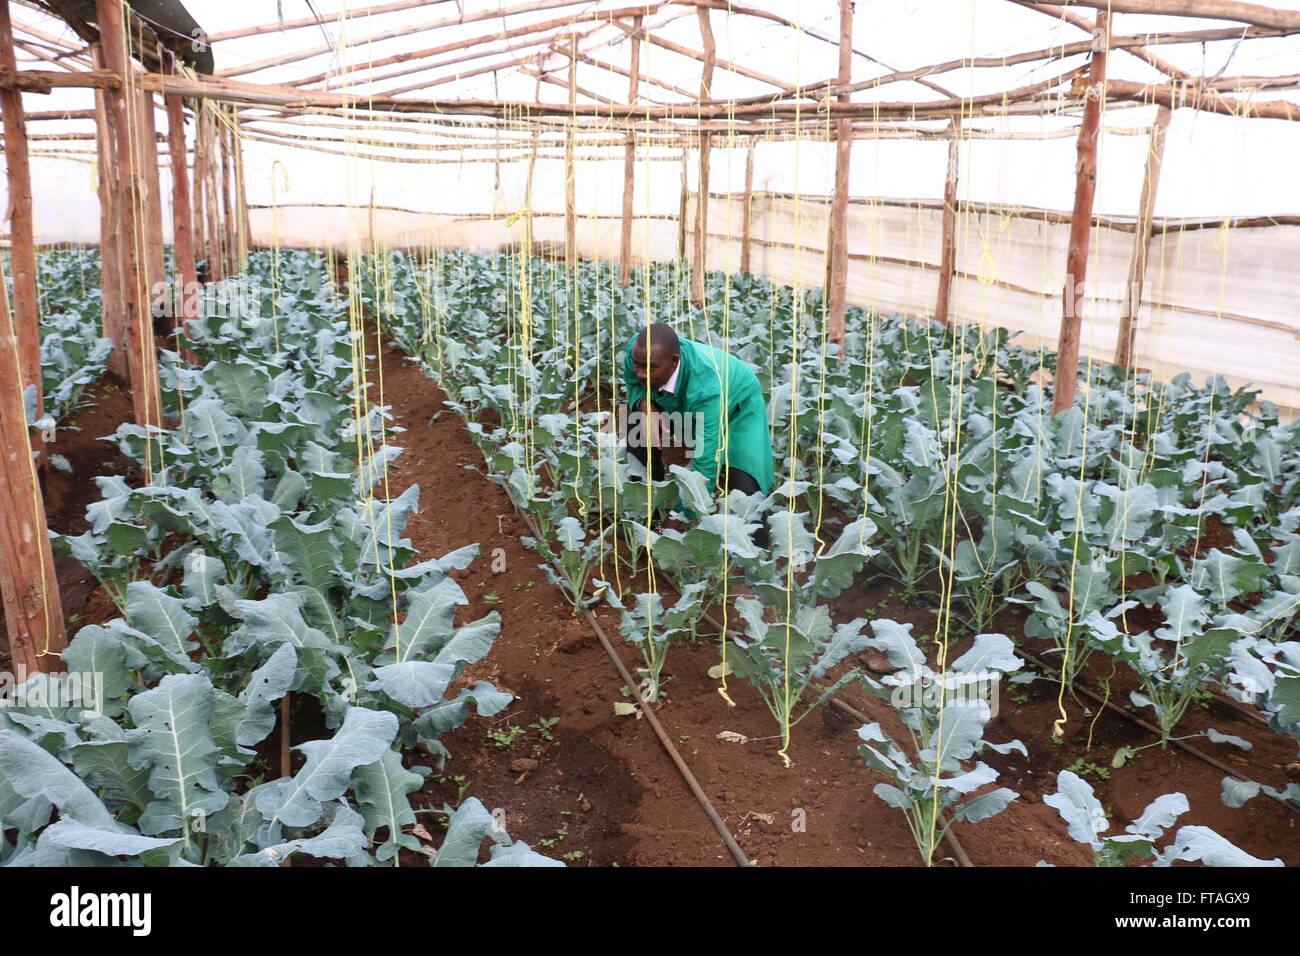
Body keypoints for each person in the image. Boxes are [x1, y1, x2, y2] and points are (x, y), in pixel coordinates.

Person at [621, 323, 774, 546]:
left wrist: (680, 516)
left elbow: (706, 459)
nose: (641, 373)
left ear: (674, 361)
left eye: (649, 368)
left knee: (745, 486)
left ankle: (756, 555)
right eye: (637, 366)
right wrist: (645, 404)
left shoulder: (707, 385)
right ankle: (646, 509)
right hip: (680, 402)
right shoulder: (638, 351)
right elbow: (633, 382)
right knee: (637, 426)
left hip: (738, 408)